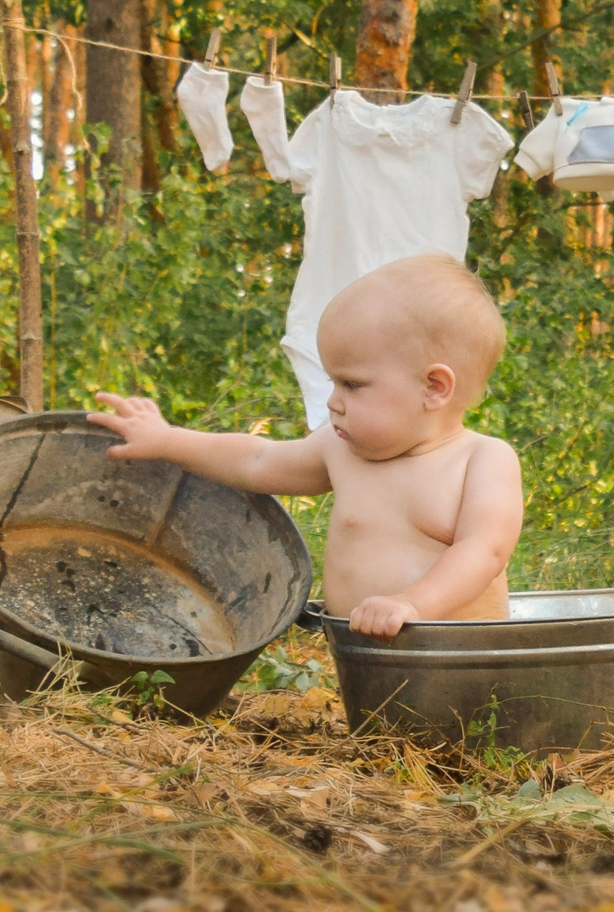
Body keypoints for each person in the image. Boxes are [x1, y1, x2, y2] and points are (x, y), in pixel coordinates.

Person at [89, 253, 522, 636]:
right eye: (332, 382)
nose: (333, 401)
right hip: (364, 660)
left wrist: (412, 605)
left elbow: (484, 550)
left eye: (352, 384)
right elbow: (258, 460)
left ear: (434, 387)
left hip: (463, 659)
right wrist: (168, 439)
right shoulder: (340, 451)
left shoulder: (482, 460)